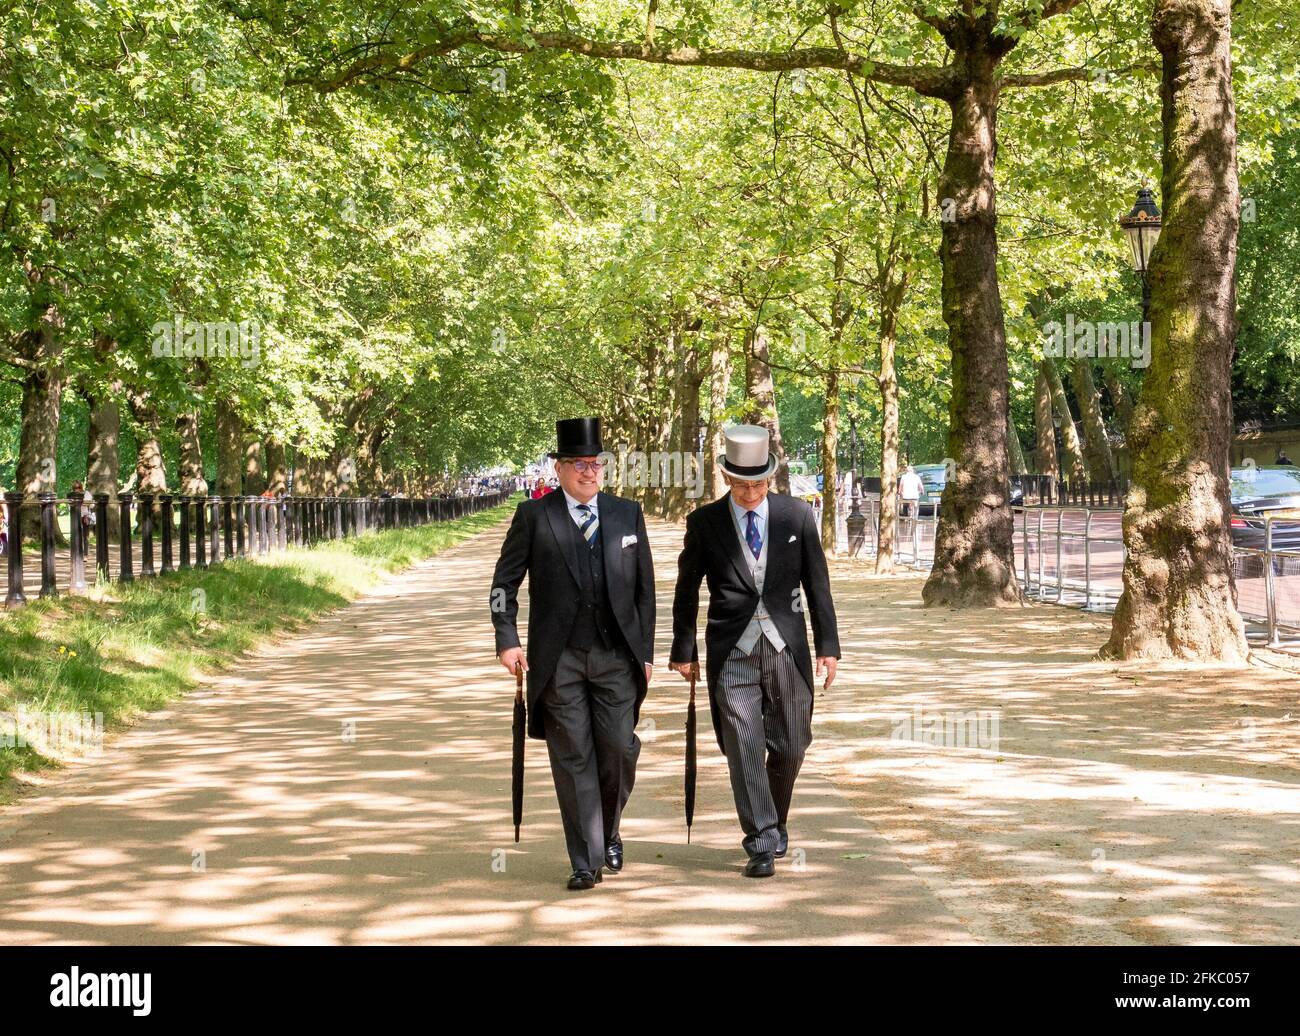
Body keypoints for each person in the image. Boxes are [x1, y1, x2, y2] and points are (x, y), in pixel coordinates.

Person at [489, 416, 656, 891]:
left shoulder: (627, 514)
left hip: (617, 657)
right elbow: (504, 585)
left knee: (619, 750)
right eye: (579, 464)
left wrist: (644, 651)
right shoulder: (533, 516)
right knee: (574, 757)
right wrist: (507, 638)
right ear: (559, 469)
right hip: (557, 659)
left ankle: (609, 828)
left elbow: (646, 591)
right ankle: (586, 858)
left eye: (596, 464)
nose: (589, 472)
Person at [669, 425, 840, 878]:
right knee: (744, 744)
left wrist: (828, 646)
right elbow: (687, 590)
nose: (750, 492)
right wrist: (682, 649)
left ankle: (776, 819)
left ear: (771, 478)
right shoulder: (703, 524)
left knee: (792, 744)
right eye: (742, 483)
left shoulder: (797, 516)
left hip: (787, 648)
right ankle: (762, 839)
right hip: (732, 652)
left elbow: (817, 585)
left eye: (759, 483)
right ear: (726, 478)